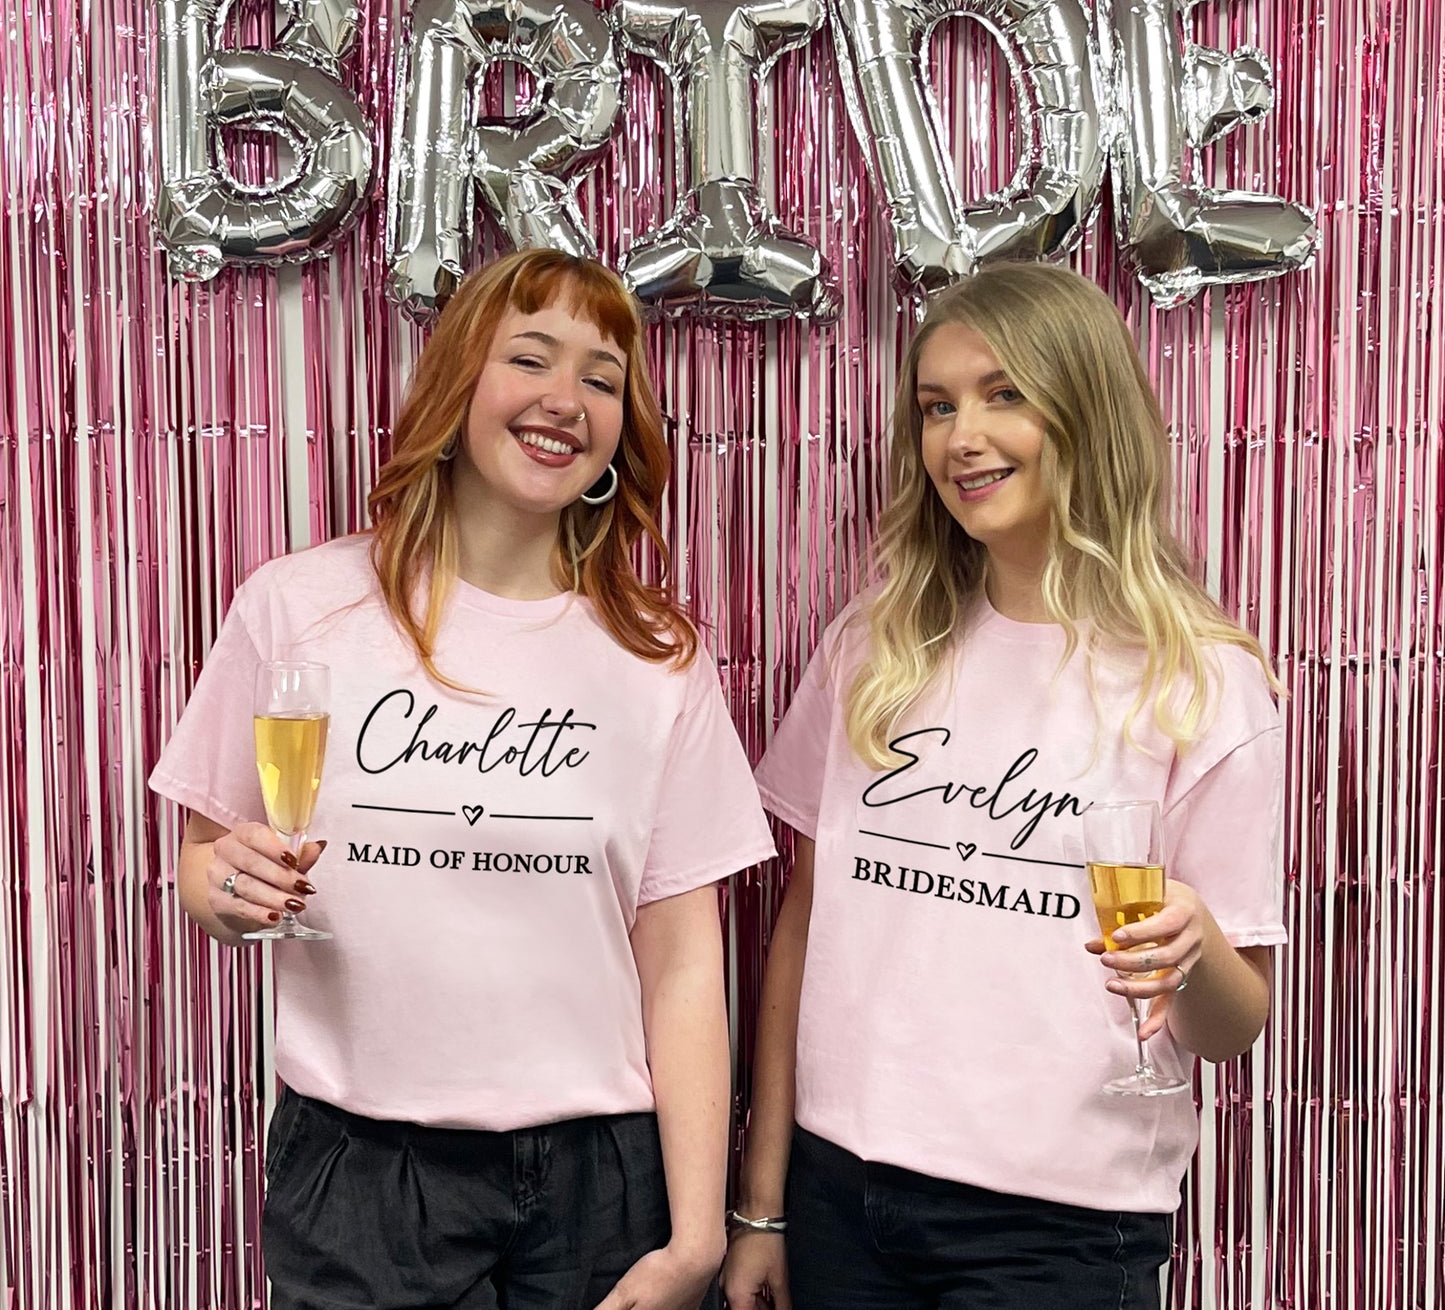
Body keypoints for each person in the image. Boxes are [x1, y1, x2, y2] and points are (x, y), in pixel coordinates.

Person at [151, 249, 775, 1310]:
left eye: (601, 378)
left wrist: (692, 1238)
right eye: (530, 357)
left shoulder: (658, 655)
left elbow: (680, 962)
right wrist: (223, 891)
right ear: (456, 386)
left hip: (599, 1178)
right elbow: (204, 867)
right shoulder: (298, 607)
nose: (564, 400)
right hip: (364, 1177)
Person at [720, 263, 1285, 1310]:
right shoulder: (874, 646)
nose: (958, 437)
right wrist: (764, 1205)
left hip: (1057, 1229)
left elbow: (1229, 1027)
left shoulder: (1200, 679)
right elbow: (805, 924)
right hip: (843, 1194)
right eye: (936, 406)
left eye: (1001, 394)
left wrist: (1194, 938)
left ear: (1083, 410)